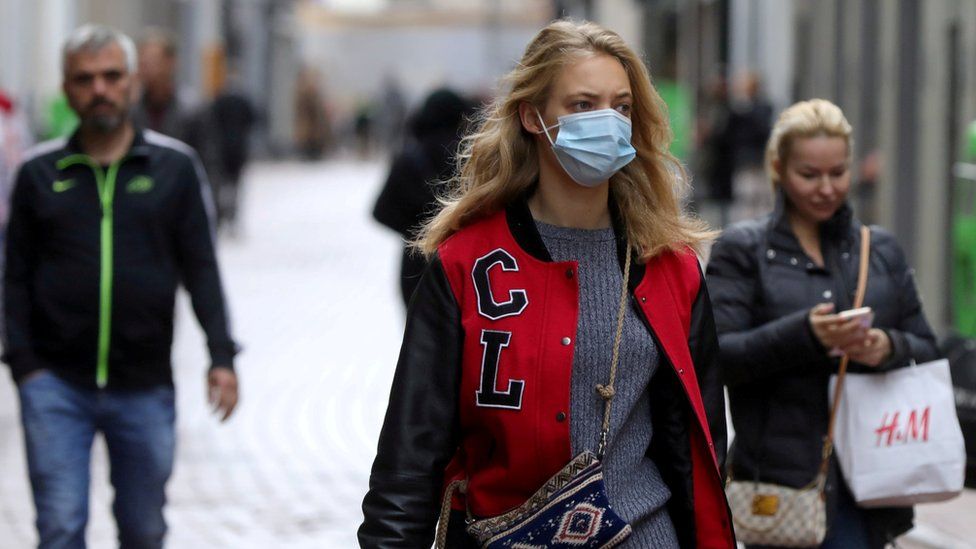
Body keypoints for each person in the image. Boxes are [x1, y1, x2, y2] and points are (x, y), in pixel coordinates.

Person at [359, 20, 735, 548]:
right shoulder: (466, 263)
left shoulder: (673, 268)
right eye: (583, 105)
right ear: (532, 116)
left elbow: (701, 446)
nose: (607, 121)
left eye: (621, 106)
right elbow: (410, 456)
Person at [3, 25, 239, 548]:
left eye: (112, 76)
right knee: (60, 527)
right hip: (55, 384)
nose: (100, 89)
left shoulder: (173, 168)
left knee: (143, 529)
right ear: (67, 90)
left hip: (144, 384)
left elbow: (201, 267)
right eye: (85, 79)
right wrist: (23, 363)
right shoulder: (40, 173)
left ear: (133, 82)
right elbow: (13, 275)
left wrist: (221, 354)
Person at [706, 99, 939, 548]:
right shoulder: (746, 250)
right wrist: (806, 335)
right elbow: (720, 358)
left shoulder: (879, 249)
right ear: (779, 168)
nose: (827, 188)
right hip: (782, 483)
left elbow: (927, 346)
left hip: (873, 478)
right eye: (809, 175)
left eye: (838, 173)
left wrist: (885, 346)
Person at [372, 87, 474, 307]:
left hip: (416, 266)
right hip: (465, 262)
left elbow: (380, 211)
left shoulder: (409, 156)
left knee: (420, 337)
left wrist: (418, 229)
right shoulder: (470, 155)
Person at [131, 27, 194, 141]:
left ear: (171, 62)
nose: (145, 68)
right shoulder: (132, 107)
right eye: (142, 62)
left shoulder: (192, 110)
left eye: (152, 61)